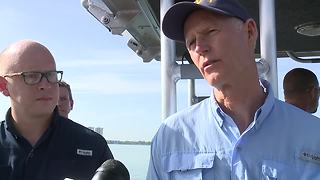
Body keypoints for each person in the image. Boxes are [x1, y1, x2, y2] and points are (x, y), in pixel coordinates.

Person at [147, 0, 320, 179]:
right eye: (191, 42)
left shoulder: (315, 137)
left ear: (249, 32)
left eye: (210, 31)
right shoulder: (169, 137)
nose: (199, 48)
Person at [0, 40, 113, 180]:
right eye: (31, 76)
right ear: (4, 86)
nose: (45, 85)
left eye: (50, 75)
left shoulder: (92, 146)